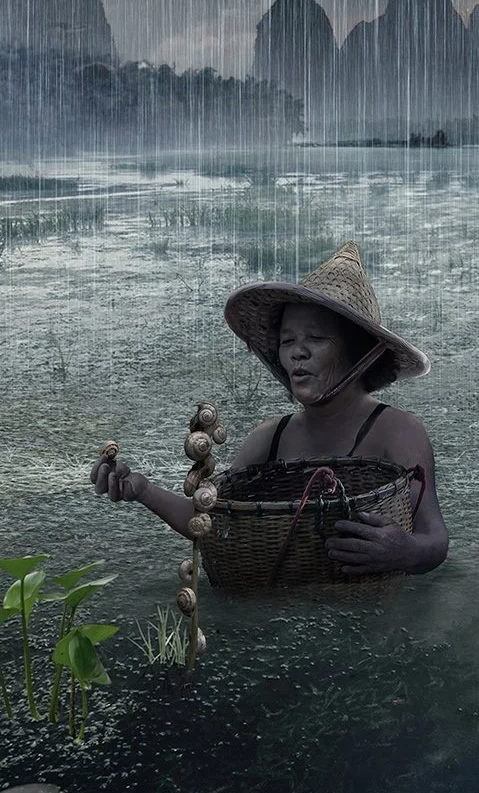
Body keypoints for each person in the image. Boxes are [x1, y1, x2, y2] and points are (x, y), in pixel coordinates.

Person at [90, 242, 450, 576]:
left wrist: (405, 552)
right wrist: (142, 490)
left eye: (316, 339)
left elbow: (435, 540)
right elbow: (211, 521)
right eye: (287, 340)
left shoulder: (397, 432)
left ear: (358, 352)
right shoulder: (269, 440)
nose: (297, 353)